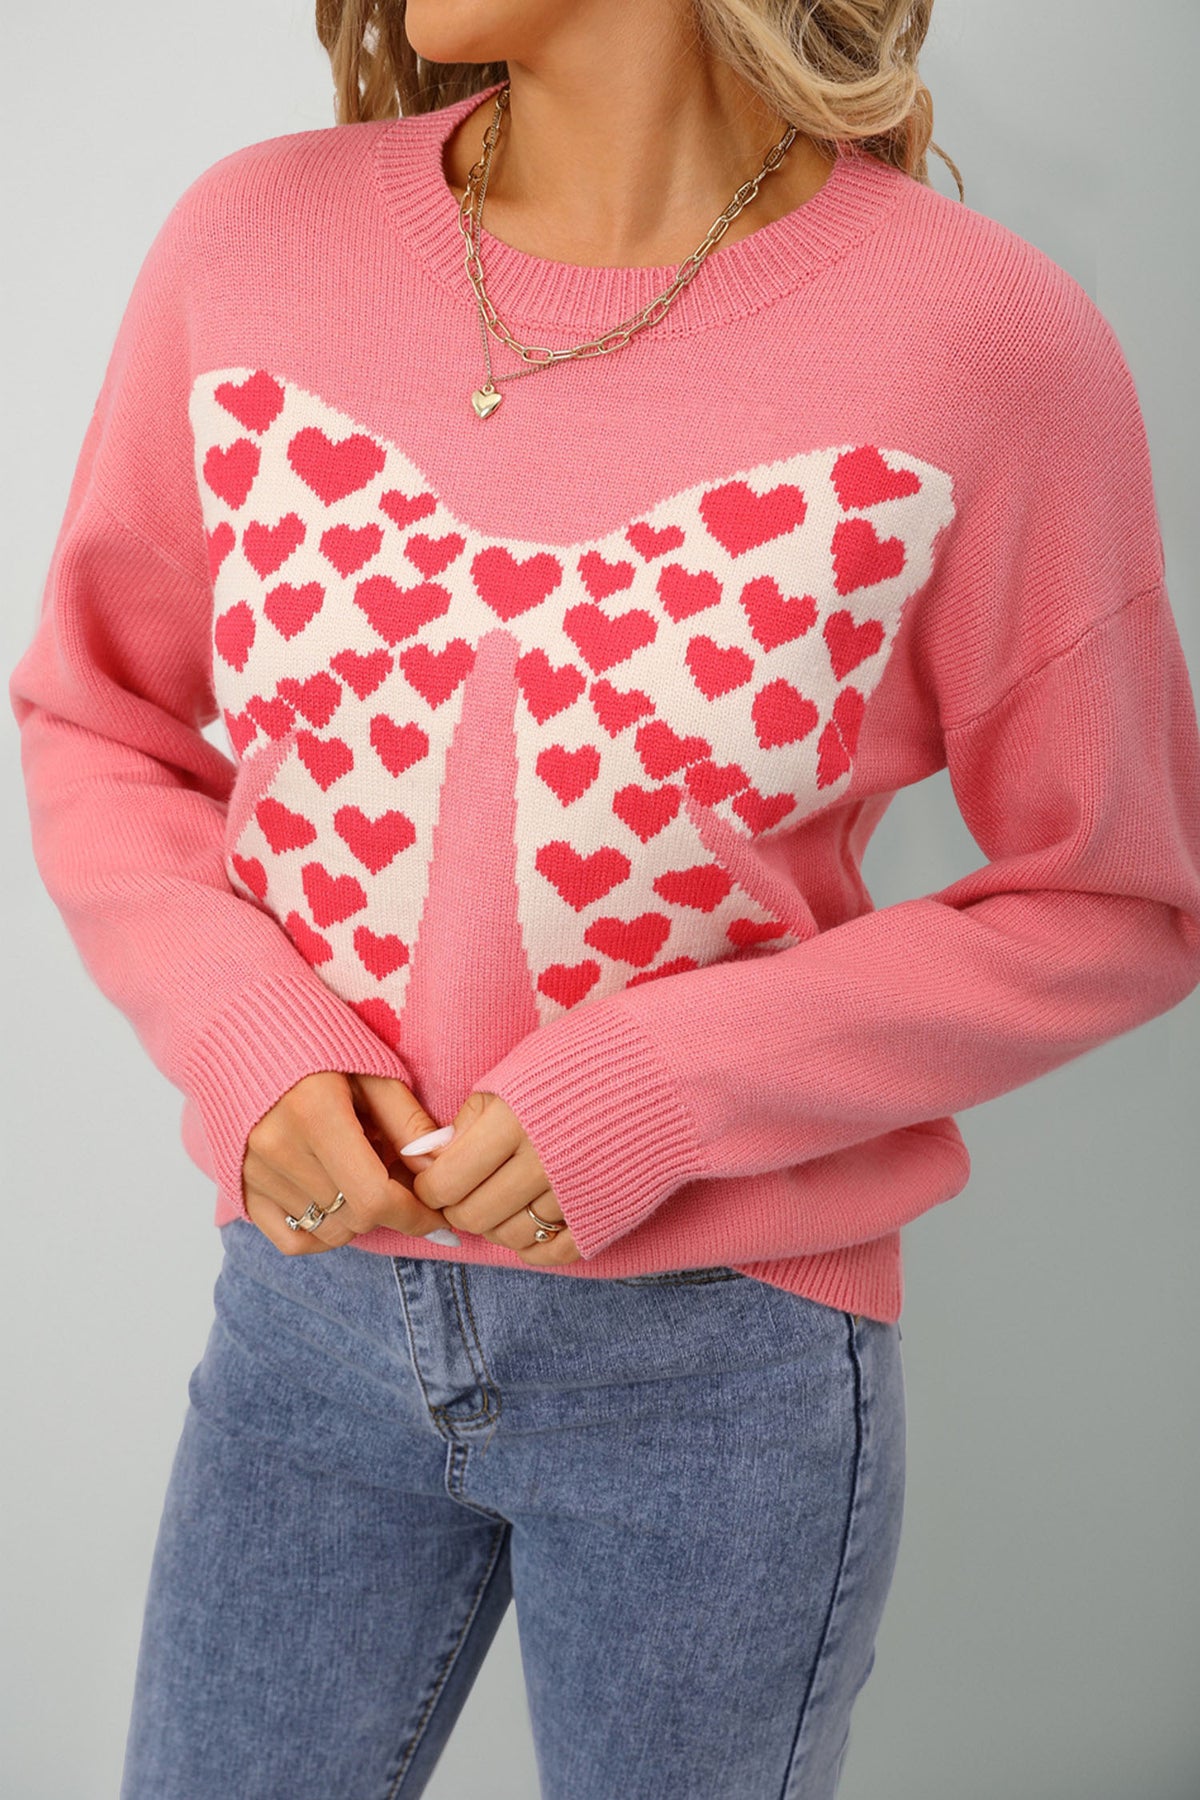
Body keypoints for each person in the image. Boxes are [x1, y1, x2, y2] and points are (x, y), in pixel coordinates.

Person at [9, 2, 1200, 1796]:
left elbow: (1116, 898)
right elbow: (96, 720)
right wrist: (249, 1037)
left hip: (721, 1368)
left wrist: (665, 1084)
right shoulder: (250, 242)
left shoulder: (988, 339)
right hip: (305, 1320)